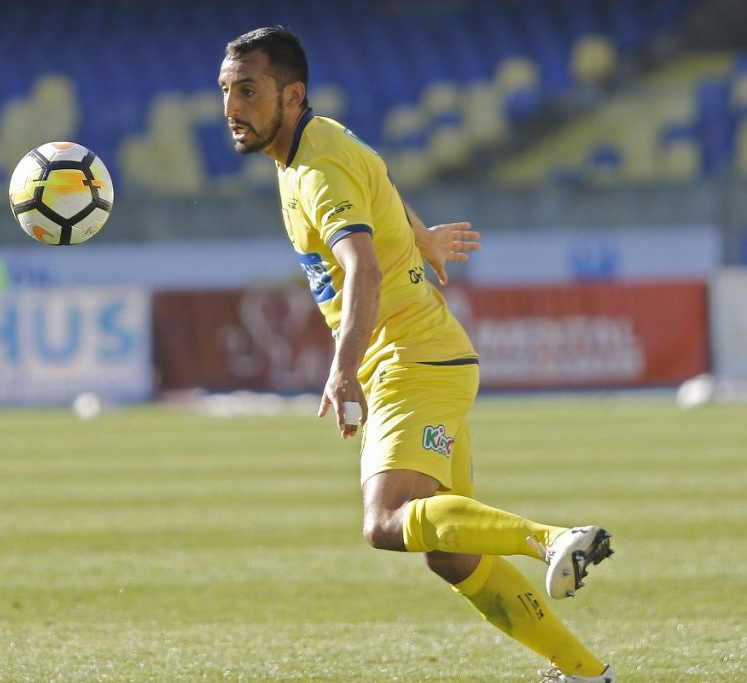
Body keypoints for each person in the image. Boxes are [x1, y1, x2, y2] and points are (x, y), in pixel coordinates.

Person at [218, 27, 616, 683]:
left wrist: (343, 369)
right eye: (227, 91)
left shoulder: (315, 170)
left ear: (292, 95)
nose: (233, 107)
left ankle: (552, 539)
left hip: (411, 362)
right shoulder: (322, 141)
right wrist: (421, 234)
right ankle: (585, 672)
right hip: (429, 356)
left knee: (383, 522)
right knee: (449, 553)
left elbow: (363, 269)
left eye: (249, 91)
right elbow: (378, 182)